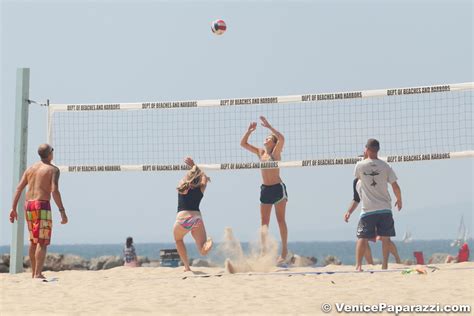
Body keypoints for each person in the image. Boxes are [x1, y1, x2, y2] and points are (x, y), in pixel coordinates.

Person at [9, 144, 68, 279]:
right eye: (52, 150)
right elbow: (54, 191)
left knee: (33, 240)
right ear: (49, 154)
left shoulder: (31, 169)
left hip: (28, 205)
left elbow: (18, 188)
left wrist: (13, 208)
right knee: (42, 241)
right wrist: (62, 211)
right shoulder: (53, 170)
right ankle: (37, 273)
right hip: (41, 204)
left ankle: (33, 273)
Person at [240, 116, 288, 264]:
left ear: (273, 143)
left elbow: (282, 138)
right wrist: (249, 131)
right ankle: (264, 251)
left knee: (280, 220)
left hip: (278, 189)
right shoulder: (261, 153)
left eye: (269, 138)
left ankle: (284, 250)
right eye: (266, 138)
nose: (266, 139)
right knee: (264, 223)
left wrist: (270, 127)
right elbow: (243, 144)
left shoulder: (275, 153)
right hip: (265, 190)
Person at [353, 139, 402, 271]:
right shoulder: (386, 166)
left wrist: (364, 159)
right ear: (378, 150)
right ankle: (385, 265)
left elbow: (357, 182)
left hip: (368, 209)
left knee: (362, 237)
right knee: (386, 238)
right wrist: (399, 199)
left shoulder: (360, 165)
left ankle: (358, 266)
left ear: (367, 149)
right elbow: (395, 186)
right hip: (385, 208)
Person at [345, 175, 401, 264]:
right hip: (367, 213)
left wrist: (398, 198)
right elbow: (356, 199)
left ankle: (397, 259)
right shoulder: (356, 181)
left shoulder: (374, 175)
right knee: (363, 238)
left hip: (380, 210)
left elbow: (391, 185)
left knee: (384, 238)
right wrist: (349, 212)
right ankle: (371, 264)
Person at [173, 157, 213, 272]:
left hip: (182, 219)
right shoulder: (201, 188)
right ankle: (206, 246)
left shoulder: (181, 186)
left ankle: (186, 267)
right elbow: (204, 177)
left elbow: (191, 177)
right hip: (196, 219)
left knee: (178, 240)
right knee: (202, 250)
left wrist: (192, 168)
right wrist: (195, 166)